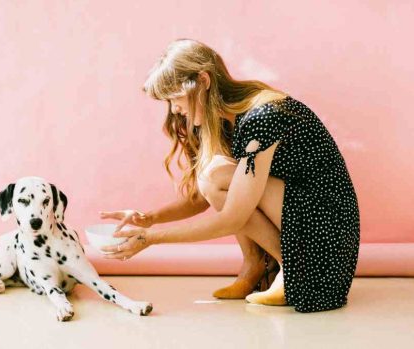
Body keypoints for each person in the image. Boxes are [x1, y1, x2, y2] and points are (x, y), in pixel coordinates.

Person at [99, 39, 360, 313]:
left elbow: (233, 216)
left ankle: (290, 267)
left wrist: (152, 239)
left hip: (326, 233)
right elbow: (204, 198)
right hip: (302, 220)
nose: (174, 109)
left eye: (174, 97)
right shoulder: (226, 120)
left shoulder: (262, 117)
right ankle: (256, 266)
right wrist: (150, 219)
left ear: (203, 80)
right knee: (213, 178)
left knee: (215, 177)